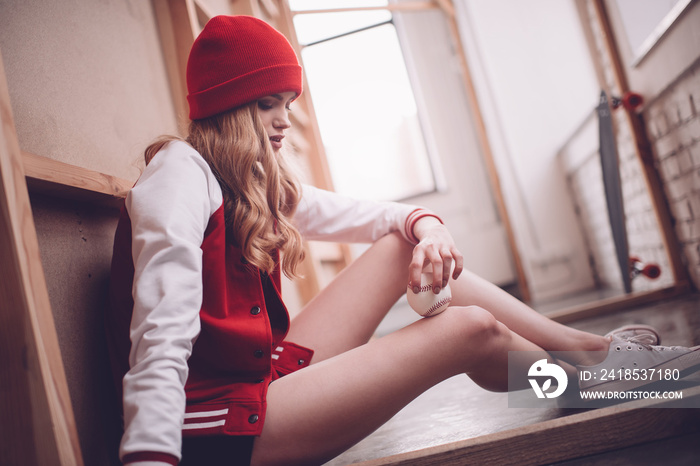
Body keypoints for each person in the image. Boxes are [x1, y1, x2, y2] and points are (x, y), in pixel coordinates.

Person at [105, 15, 700, 466]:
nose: (284, 120)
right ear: (227, 108)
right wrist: (152, 457)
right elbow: (159, 336)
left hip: (258, 382)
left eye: (287, 103)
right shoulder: (178, 176)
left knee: (399, 245)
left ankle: (590, 354)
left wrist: (430, 230)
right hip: (213, 429)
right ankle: (595, 381)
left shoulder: (243, 180)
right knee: (471, 330)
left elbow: (377, 219)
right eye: (267, 104)